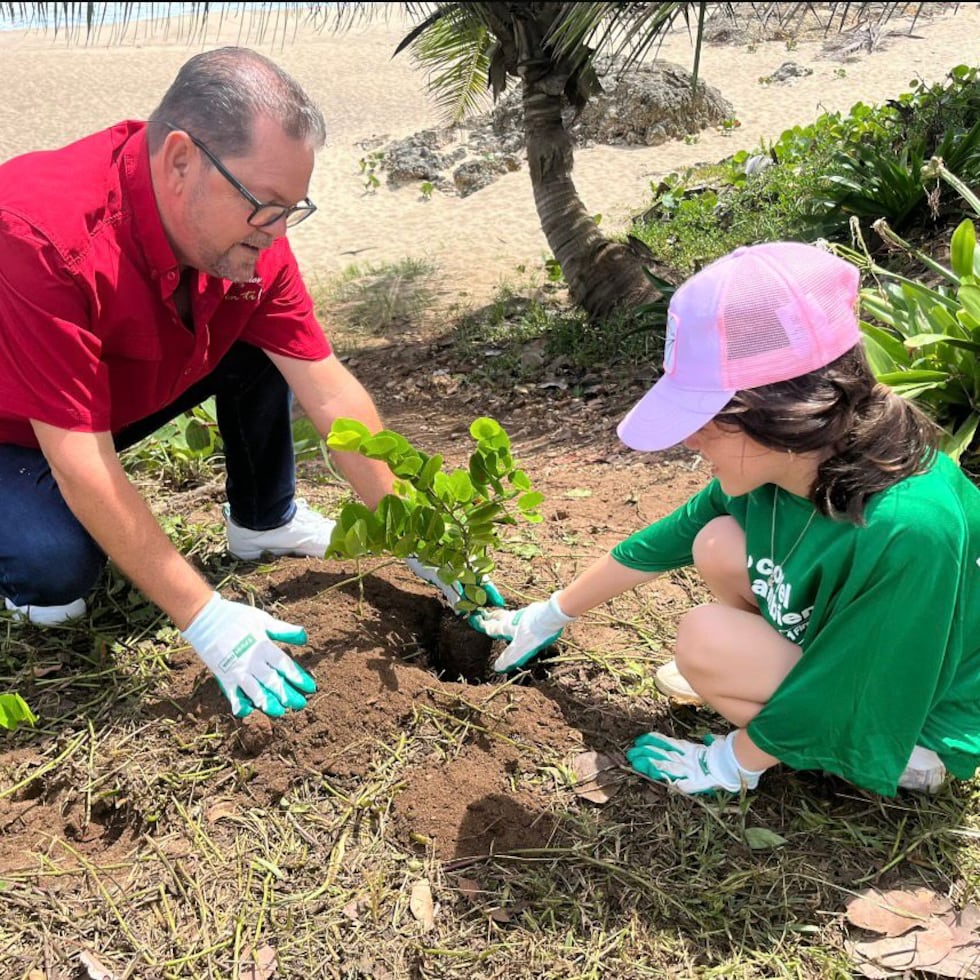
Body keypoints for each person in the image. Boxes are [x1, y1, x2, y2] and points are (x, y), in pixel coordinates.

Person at [0, 46, 489, 721]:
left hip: (94, 396)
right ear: (180, 162)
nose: (278, 231)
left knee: (253, 326)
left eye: (293, 207)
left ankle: (266, 521)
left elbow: (330, 393)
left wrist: (418, 536)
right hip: (12, 424)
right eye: (265, 205)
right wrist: (205, 617)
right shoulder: (36, 235)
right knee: (56, 581)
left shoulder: (245, 237)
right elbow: (79, 459)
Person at [477, 241, 980, 798]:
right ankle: (764, 683)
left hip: (918, 710)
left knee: (704, 640)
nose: (690, 439)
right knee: (718, 542)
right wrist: (550, 614)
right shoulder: (792, 467)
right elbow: (662, 543)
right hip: (865, 654)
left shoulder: (907, 527)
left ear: (781, 410)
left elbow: (854, 680)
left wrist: (730, 762)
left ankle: (891, 760)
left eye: (707, 416)